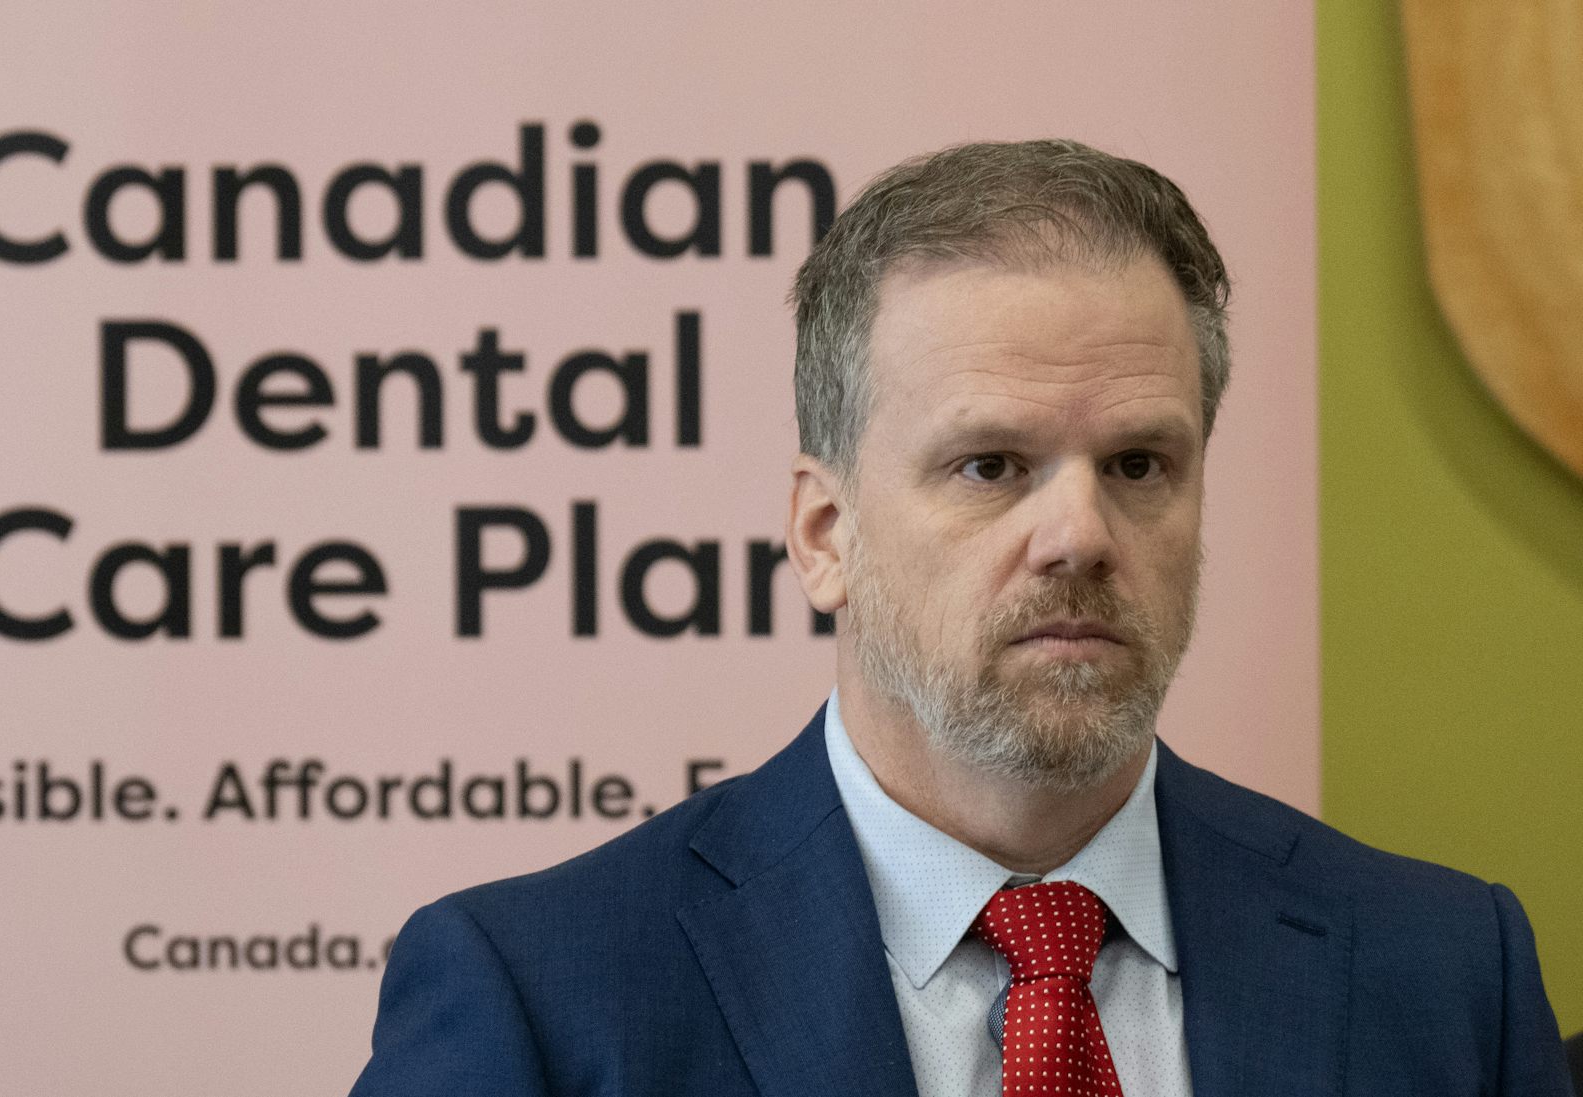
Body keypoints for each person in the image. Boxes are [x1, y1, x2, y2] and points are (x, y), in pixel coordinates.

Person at [350, 140, 1574, 1097]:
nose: (1081, 532)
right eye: (990, 464)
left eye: (1140, 464)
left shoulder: (1443, 970)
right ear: (825, 534)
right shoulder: (542, 995)